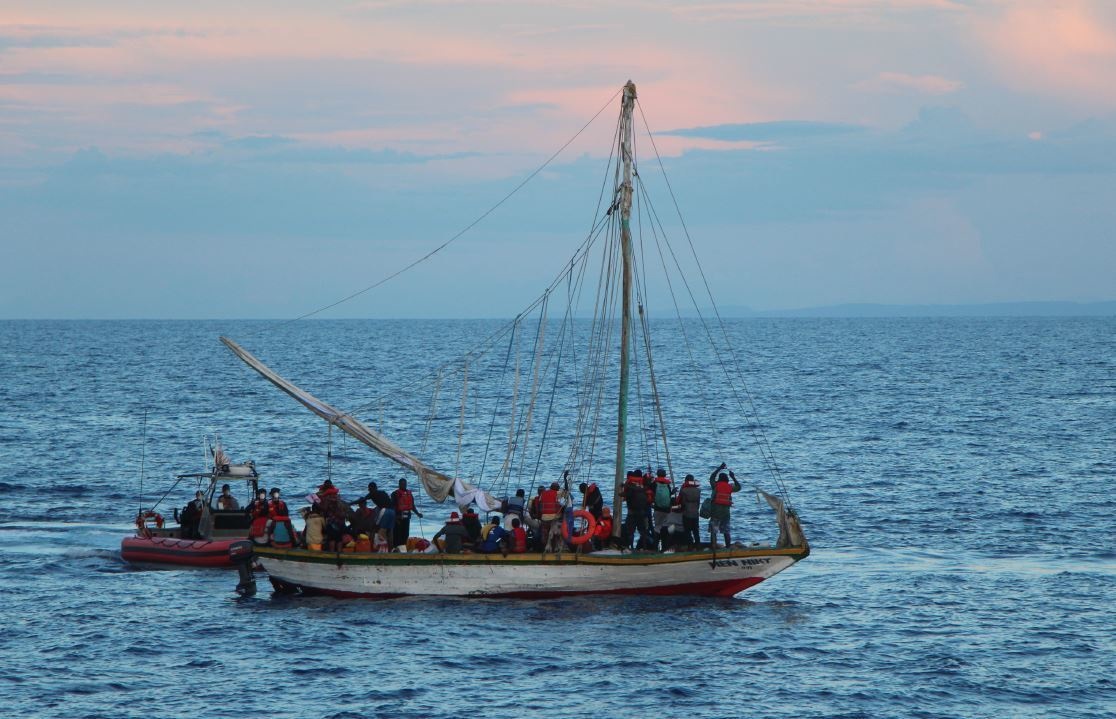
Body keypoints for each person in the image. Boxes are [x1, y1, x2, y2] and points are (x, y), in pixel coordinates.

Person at [709, 463, 743, 548]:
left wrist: (719, 468)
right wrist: (733, 477)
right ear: (727, 480)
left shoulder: (715, 485)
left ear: (719, 479)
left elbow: (712, 477)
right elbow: (739, 487)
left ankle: (713, 547)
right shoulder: (730, 487)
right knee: (726, 532)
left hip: (715, 513)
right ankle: (728, 547)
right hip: (725, 513)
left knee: (714, 532)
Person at [391, 478, 423, 549]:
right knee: (397, 534)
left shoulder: (409, 494)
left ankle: (403, 548)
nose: (403, 485)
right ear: (399, 484)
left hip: (407, 518)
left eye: (405, 484)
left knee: (405, 534)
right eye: (402, 484)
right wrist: (395, 517)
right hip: (398, 518)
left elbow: (412, 505)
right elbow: (392, 507)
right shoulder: (394, 494)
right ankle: (395, 548)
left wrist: (418, 514)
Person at [623, 470, 651, 550]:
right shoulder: (643, 485)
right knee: (643, 531)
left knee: (630, 531)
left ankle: (630, 547)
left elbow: (627, 495)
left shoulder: (630, 485)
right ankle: (645, 547)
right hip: (642, 512)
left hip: (632, 512)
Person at [317, 480, 347, 552]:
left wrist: (316, 503)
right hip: (341, 523)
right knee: (339, 540)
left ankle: (332, 554)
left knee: (332, 540)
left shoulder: (327, 498)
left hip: (332, 522)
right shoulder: (338, 497)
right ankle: (339, 555)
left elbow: (324, 509)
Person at [677, 474, 702, 548]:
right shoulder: (698, 490)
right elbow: (698, 503)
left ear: (686, 481)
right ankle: (698, 545)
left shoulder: (684, 490)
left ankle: (690, 546)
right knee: (696, 530)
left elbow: (683, 503)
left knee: (687, 531)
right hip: (695, 513)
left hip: (687, 513)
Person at [651, 468, 674, 534]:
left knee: (657, 527)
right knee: (666, 527)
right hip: (667, 509)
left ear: (657, 475)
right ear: (665, 475)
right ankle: (666, 542)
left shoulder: (654, 484)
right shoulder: (667, 485)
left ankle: (656, 541)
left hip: (657, 509)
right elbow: (669, 495)